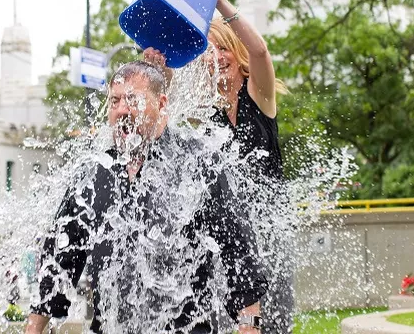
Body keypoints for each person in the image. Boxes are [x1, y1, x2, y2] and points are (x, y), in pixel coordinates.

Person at [24, 61, 267, 334]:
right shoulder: (93, 174)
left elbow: (239, 253)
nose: (122, 110)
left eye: (133, 100)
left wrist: (249, 325)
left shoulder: (198, 163)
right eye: (115, 101)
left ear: (161, 103)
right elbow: (58, 265)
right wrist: (33, 330)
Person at [143, 0, 294, 332]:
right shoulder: (206, 117)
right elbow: (164, 114)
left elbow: (260, 52)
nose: (218, 58)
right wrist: (159, 69)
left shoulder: (259, 97)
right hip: (232, 237)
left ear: (236, 54)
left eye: (223, 49)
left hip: (269, 235)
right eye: (210, 52)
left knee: (273, 324)